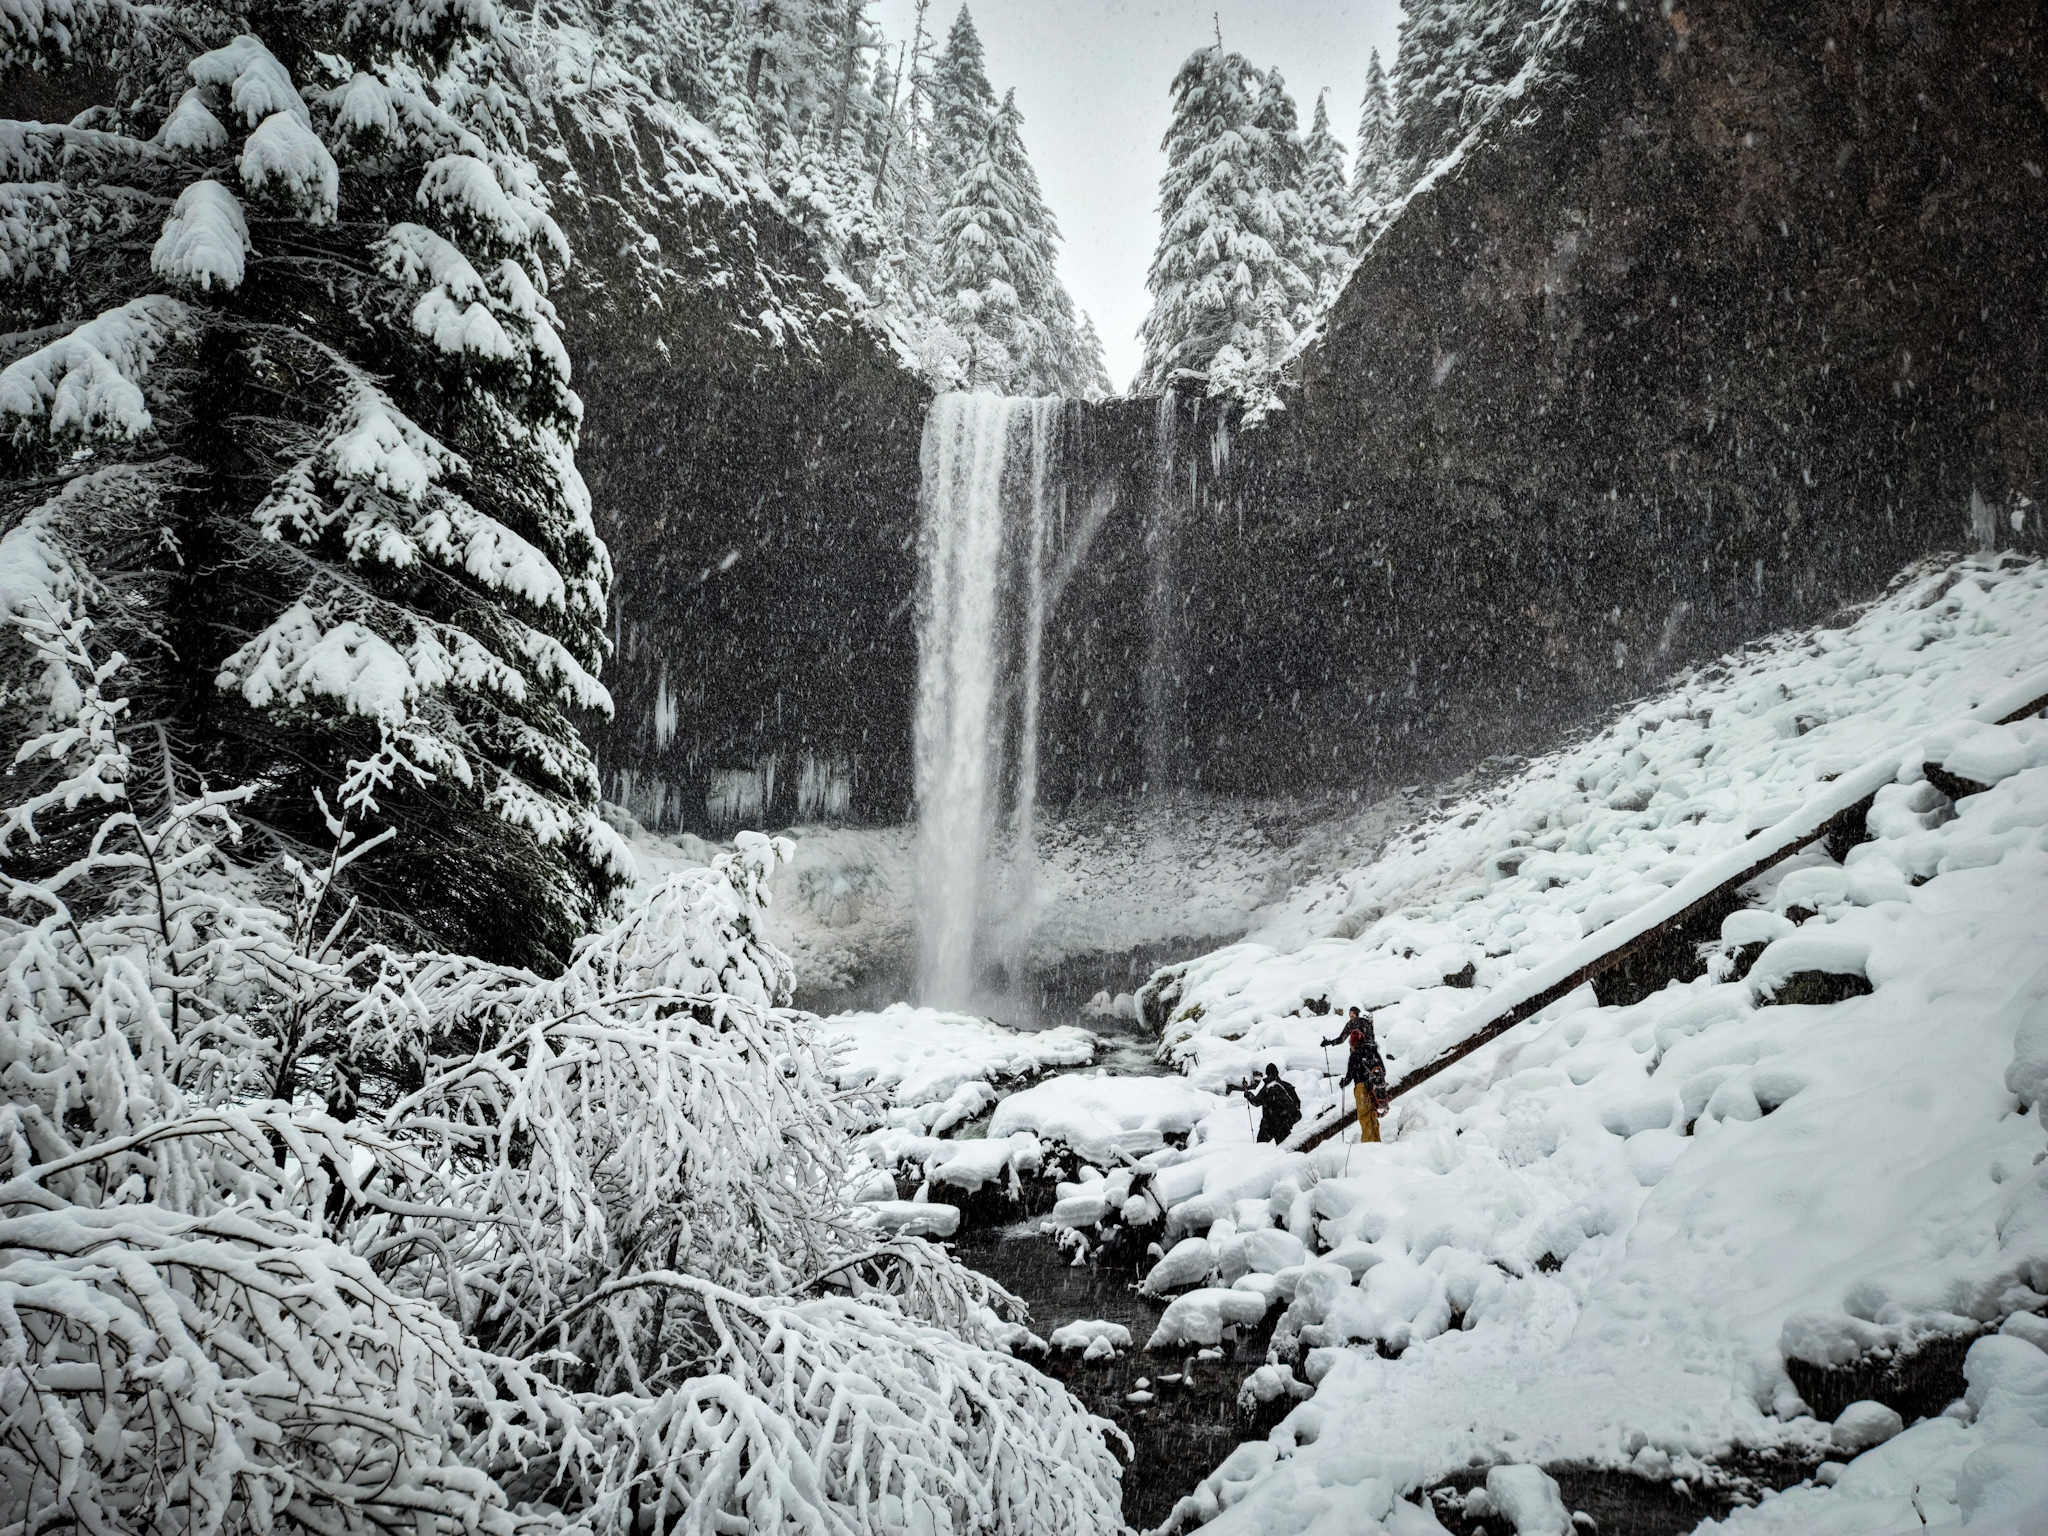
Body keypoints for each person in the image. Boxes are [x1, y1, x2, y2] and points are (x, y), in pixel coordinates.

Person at [1321, 1007, 1388, 1143]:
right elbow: (1383, 1069)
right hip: (1373, 1085)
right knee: (1372, 1114)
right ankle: (1376, 1141)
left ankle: (1369, 1144)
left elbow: (1350, 1075)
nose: (1351, 1017)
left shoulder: (1355, 1053)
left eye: (1352, 1014)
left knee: (1364, 1116)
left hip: (1361, 1087)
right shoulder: (1373, 1050)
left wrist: (1344, 1082)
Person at [1236, 1063, 1303, 1144]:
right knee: (1286, 1148)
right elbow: (1297, 1103)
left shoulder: (1266, 1089)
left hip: (1268, 1124)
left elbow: (1256, 1102)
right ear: (1277, 1073)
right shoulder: (1286, 1086)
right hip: (1284, 1124)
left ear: (1267, 1074)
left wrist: (1248, 1094)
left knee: (1261, 1147)